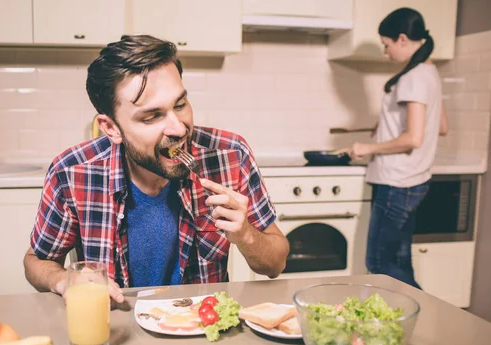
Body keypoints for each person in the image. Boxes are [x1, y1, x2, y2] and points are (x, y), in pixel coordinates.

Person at [23, 34, 289, 303]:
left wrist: (246, 235)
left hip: (202, 329)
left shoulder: (230, 155)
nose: (179, 128)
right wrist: (63, 280)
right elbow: (35, 262)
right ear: (111, 128)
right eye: (152, 116)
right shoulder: (71, 172)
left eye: (181, 105)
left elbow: (275, 263)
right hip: (117, 328)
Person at [345, 8, 448, 289]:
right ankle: (414, 325)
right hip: (414, 180)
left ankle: (427, 314)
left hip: (396, 182)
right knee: (399, 262)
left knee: (379, 264)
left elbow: (413, 138)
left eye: (386, 44)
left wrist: (368, 147)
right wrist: (386, 128)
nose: (385, 51)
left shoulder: (413, 77)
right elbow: (440, 127)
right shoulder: (429, 72)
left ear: (402, 39)